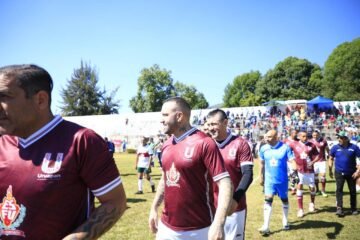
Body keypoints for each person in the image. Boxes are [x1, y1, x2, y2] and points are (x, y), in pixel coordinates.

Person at [0, 64, 127, 239]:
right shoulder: (2, 143)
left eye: (4, 96)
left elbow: (115, 202)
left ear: (40, 100)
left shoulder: (82, 141)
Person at [148, 97, 233, 240]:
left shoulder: (205, 143)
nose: (161, 120)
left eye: (165, 115)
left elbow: (225, 183)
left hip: (199, 229)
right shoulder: (166, 145)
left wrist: (218, 223)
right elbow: (165, 177)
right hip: (166, 227)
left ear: (179, 116)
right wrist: (154, 207)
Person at [207, 109, 254, 240]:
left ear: (225, 122)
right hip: (209, 206)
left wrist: (235, 199)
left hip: (233, 206)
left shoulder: (240, 143)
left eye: (214, 124)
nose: (211, 128)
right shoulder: (206, 144)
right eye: (209, 125)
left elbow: (248, 174)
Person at [258, 129, 295, 235]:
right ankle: (266, 226)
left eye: (269, 137)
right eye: (266, 136)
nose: (267, 139)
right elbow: (261, 163)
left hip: (282, 180)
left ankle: (285, 221)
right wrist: (261, 176)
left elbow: (292, 161)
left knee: (284, 200)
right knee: (268, 199)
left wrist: (295, 171)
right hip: (269, 180)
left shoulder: (285, 147)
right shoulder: (263, 148)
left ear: (276, 137)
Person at [328, 131, 360, 216]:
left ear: (346, 138)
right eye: (339, 137)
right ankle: (339, 208)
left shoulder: (354, 147)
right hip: (339, 172)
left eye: (341, 138)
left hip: (352, 173)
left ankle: (353, 208)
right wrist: (330, 169)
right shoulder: (335, 147)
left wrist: (358, 171)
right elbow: (330, 158)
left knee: (352, 191)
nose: (339, 139)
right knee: (339, 190)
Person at [309, 129, 330, 197]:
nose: (315, 136)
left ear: (318, 134)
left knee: (323, 175)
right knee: (315, 176)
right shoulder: (310, 141)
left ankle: (323, 190)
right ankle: (317, 190)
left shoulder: (323, 141)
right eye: (314, 135)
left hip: (322, 160)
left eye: (316, 135)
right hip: (314, 161)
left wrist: (329, 154)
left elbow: (327, 148)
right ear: (312, 135)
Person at [283, 128, 299, 195]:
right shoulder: (285, 141)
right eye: (295, 133)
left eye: (296, 133)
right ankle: (293, 188)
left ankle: (298, 188)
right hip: (289, 161)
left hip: (298, 160)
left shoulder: (298, 141)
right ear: (291, 133)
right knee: (293, 175)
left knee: (297, 175)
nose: (296, 134)